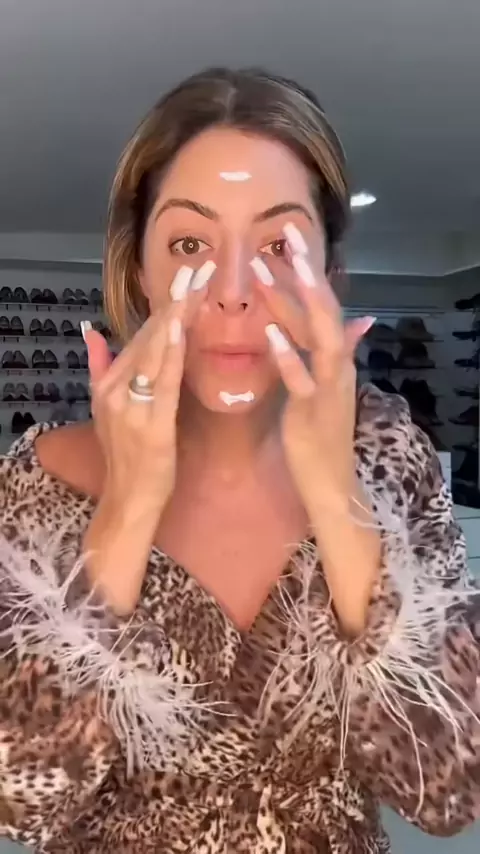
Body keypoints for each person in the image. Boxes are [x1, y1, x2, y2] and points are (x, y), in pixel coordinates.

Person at [0, 67, 479, 854]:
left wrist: (338, 499)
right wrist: (126, 512)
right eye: (190, 244)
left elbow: (448, 791)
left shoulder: (393, 459)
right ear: (141, 273)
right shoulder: (41, 479)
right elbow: (18, 799)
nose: (231, 290)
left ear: (328, 274)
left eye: (278, 247)